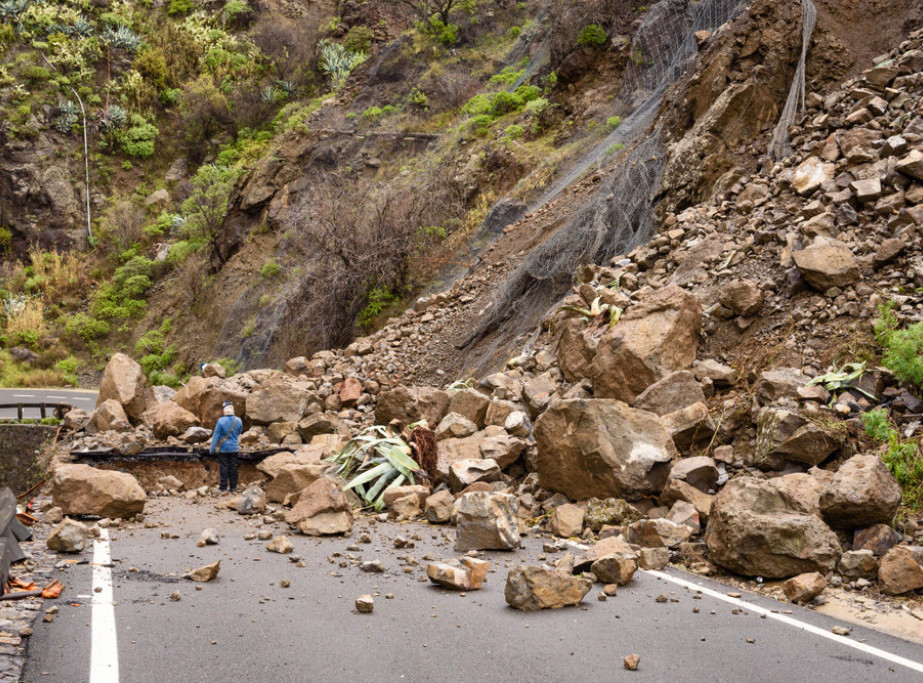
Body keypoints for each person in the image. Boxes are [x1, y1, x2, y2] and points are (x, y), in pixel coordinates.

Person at [210, 401, 242, 493]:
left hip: (223, 449)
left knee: (223, 467)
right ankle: (233, 488)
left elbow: (216, 437)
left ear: (224, 411)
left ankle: (223, 487)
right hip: (234, 448)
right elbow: (239, 432)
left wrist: (212, 450)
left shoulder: (220, 421)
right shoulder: (238, 420)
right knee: (233, 467)